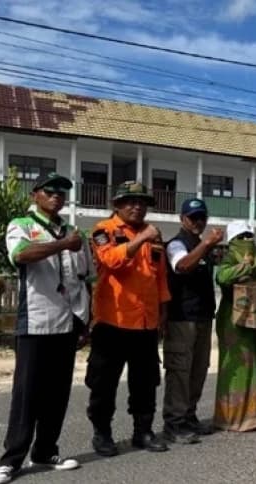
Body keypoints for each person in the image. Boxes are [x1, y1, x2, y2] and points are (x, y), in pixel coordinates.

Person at [0, 173, 90, 484]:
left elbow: (84, 278)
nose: (57, 195)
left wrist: (86, 320)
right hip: (35, 321)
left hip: (67, 322)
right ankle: (11, 460)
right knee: (27, 393)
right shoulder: (21, 224)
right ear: (36, 195)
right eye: (51, 190)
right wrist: (61, 245)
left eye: (62, 192)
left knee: (57, 393)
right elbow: (20, 255)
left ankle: (46, 450)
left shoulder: (74, 232)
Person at [86, 181, 171, 456]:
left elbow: (160, 279)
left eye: (142, 202)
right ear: (117, 205)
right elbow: (111, 261)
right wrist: (142, 238)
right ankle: (102, 433)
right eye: (130, 201)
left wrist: (163, 316)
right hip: (113, 322)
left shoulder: (154, 237)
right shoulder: (103, 230)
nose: (137, 206)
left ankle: (143, 432)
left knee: (145, 381)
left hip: (146, 323)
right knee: (104, 382)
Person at [162, 198, 224, 444]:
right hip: (181, 319)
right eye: (193, 217)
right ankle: (174, 424)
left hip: (202, 317)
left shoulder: (201, 246)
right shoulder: (176, 244)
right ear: (182, 219)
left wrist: (206, 246)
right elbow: (182, 265)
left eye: (201, 217)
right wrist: (206, 244)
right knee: (180, 372)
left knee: (199, 370)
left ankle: (189, 416)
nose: (198, 222)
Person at [213, 221, 256, 431]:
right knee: (240, 366)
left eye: (250, 236)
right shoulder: (230, 258)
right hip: (234, 320)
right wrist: (243, 266)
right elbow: (221, 277)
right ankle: (235, 418)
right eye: (242, 237)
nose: (247, 241)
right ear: (233, 241)